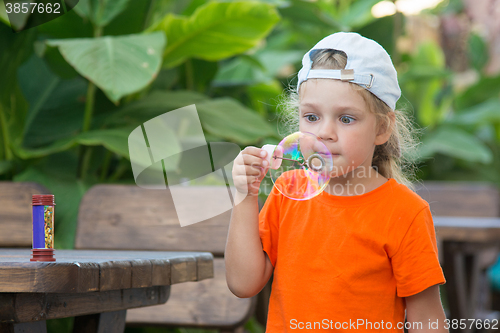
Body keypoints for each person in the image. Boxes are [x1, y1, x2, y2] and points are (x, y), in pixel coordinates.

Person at [225, 32, 448, 332]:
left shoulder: (406, 213)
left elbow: (427, 320)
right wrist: (244, 195)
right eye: (311, 117)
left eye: (346, 119)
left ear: (382, 128)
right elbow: (242, 283)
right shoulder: (287, 193)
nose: (324, 133)